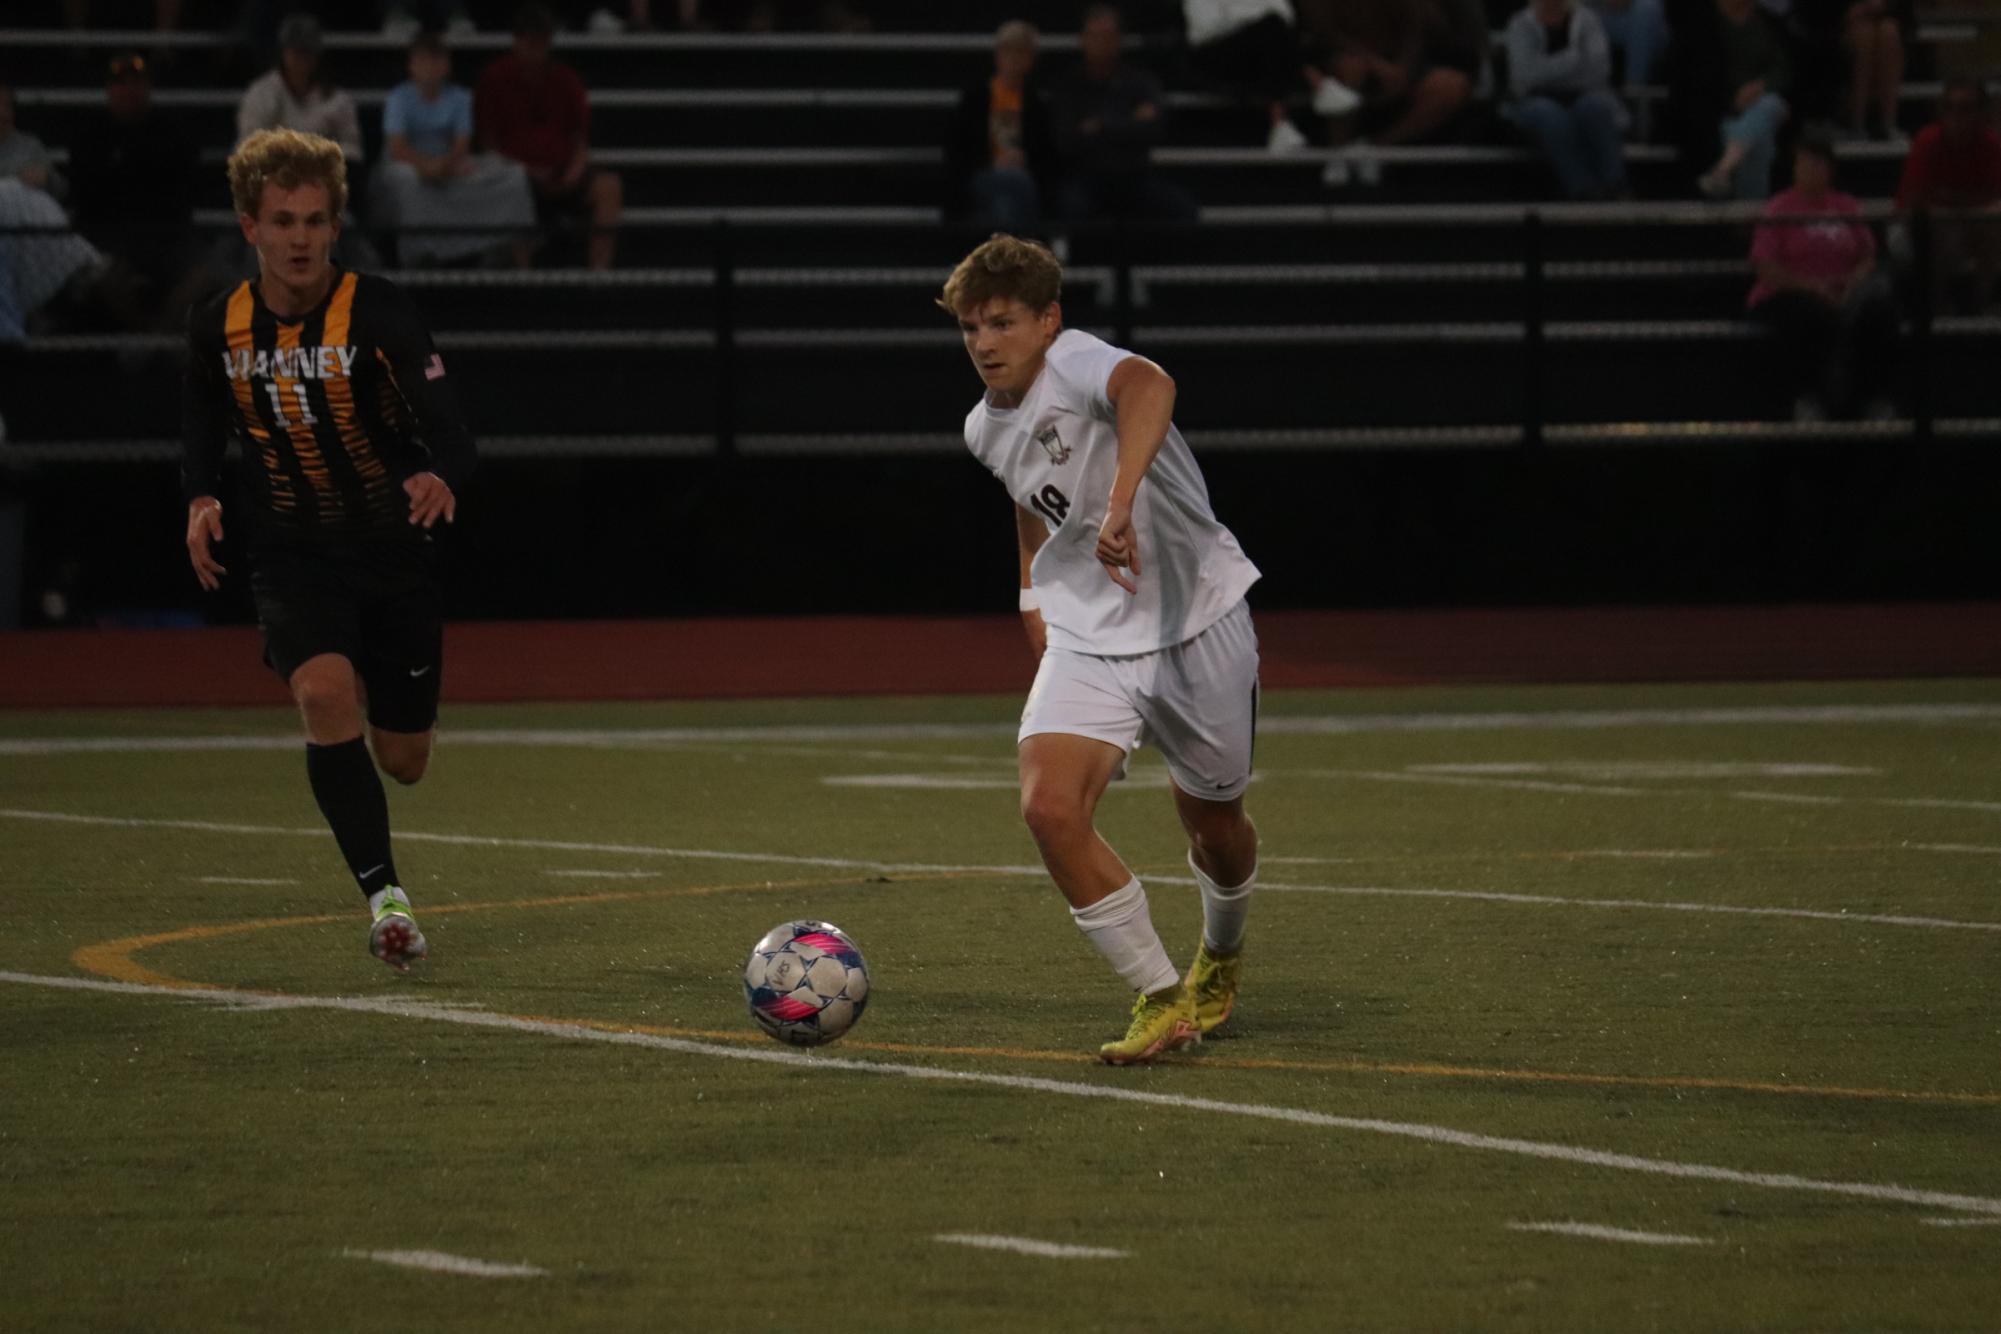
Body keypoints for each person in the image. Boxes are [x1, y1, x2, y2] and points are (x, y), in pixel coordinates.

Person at [939, 233, 1262, 1064]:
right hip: (1090, 634)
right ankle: (1160, 998)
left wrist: (1120, 504)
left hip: (1198, 623)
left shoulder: (1079, 362)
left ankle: (1219, 956)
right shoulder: (982, 428)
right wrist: (1031, 593)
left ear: (1048, 321)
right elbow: (1029, 500)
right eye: (969, 327)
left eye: (1001, 323)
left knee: (1214, 825)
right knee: (1048, 807)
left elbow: (1150, 385)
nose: (982, 343)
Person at [181, 129, 476, 972]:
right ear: (250, 228)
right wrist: (199, 495)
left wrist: (438, 474)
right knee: (321, 692)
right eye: (283, 220)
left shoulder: (378, 311)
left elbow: (453, 431)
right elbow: (199, 419)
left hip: (391, 552)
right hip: (289, 550)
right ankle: (387, 900)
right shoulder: (218, 324)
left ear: (335, 227)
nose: (301, 237)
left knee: (405, 760)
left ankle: (391, 746)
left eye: (315, 220)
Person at [1746, 127, 1896, 418]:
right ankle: (1809, 396)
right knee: (1810, 315)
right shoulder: (1779, 208)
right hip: (1791, 294)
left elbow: (1867, 255)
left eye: (1816, 163)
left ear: (1830, 169)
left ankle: (1873, 398)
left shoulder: (1846, 205)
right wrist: (1812, 287)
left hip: (1844, 291)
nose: (1808, 170)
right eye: (1803, 163)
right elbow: (1765, 266)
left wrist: (1853, 284)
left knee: (1880, 311)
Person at [476, 3, 625, 270]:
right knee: (508, 185)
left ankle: (599, 278)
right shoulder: (495, 79)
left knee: (608, 187)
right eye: (529, 42)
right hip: (518, 178)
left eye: (541, 42)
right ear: (517, 42)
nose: (535, 49)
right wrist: (524, 171)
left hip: (562, 174)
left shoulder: (565, 79)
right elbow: (489, 144)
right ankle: (526, 278)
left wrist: (574, 172)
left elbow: (580, 139)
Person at [65, 53, 205, 328]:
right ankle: (145, 337)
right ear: (109, 90)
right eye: (121, 84)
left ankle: (150, 341)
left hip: (166, 238)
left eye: (137, 83)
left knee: (206, 274)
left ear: (148, 88)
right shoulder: (89, 136)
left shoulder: (173, 133)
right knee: (104, 274)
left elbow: (185, 192)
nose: (130, 90)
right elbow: (84, 198)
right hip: (106, 238)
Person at [376, 33, 535, 266]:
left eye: (436, 60)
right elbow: (398, 148)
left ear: (446, 65)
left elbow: (462, 145)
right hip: (409, 166)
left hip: (449, 165)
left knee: (513, 174)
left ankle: (521, 264)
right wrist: (427, 166)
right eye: (423, 61)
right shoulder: (398, 98)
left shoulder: (460, 97)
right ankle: (416, 259)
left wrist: (446, 165)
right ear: (412, 65)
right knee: (406, 181)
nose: (430, 67)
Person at [1048, 6, 1198, 225]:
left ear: (1119, 39)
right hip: (1087, 177)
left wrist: (1100, 126)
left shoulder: (1139, 81)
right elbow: (1066, 140)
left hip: (1134, 175)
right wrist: (1129, 122)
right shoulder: (1069, 86)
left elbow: (1154, 129)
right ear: (1083, 39)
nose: (1101, 43)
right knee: (1070, 206)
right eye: (1095, 36)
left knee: (1182, 209)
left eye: (1107, 36)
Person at [1314, 0, 1482, 187]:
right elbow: (1324, 33)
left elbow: (1416, 32)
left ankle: (1374, 149)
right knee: (1350, 69)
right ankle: (1339, 153)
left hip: (1402, 70)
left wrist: (1401, 70)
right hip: (1345, 65)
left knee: (1453, 86)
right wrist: (1375, 63)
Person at [1503, 0, 1629, 199]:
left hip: (1586, 95)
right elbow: (1523, 76)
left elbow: (1598, 71)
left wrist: (1546, 71)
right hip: (1534, 101)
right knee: (1549, 114)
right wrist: (1572, 59)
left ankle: (1616, 184)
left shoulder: (1588, 20)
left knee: (1594, 107)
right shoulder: (1520, 24)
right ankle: (1583, 190)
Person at [1895, 77, 2001, 313]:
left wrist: (1954, 206)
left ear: (1981, 113)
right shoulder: (1927, 141)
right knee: (1938, 228)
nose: (1956, 116)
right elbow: (1913, 204)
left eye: (1965, 109)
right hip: (1920, 227)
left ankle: (1981, 303)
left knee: (1992, 226)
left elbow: (1996, 200)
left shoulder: (1990, 144)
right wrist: (1962, 208)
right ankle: (1935, 307)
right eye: (1949, 107)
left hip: (1971, 224)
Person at [946, 20, 1058, 231]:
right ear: (998, 56)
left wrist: (1026, 159)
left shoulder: (1037, 105)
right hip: (983, 176)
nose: (1015, 59)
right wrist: (992, 162)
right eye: (1009, 51)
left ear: (1032, 59)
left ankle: (1006, 258)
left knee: (1005, 206)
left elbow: (1049, 156)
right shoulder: (975, 99)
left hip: (1023, 182)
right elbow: (958, 152)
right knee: (1015, 185)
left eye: (1022, 52)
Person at [1690, 0, 1793, 199]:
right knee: (1759, 136)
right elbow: (1697, 78)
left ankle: (1723, 170)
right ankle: (1749, 221)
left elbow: (1783, 69)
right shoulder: (1702, 22)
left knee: (1768, 106)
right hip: (1718, 111)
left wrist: (1760, 87)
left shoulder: (1767, 23)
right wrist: (1732, 100)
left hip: (1762, 101)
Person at [237, 15, 364, 165]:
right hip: (274, 171)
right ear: (283, 52)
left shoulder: (337, 98)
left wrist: (316, 155)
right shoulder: (261, 93)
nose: (301, 58)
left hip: (321, 173)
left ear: (317, 54)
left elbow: (353, 149)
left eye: (307, 51)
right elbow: (249, 145)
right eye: (296, 51)